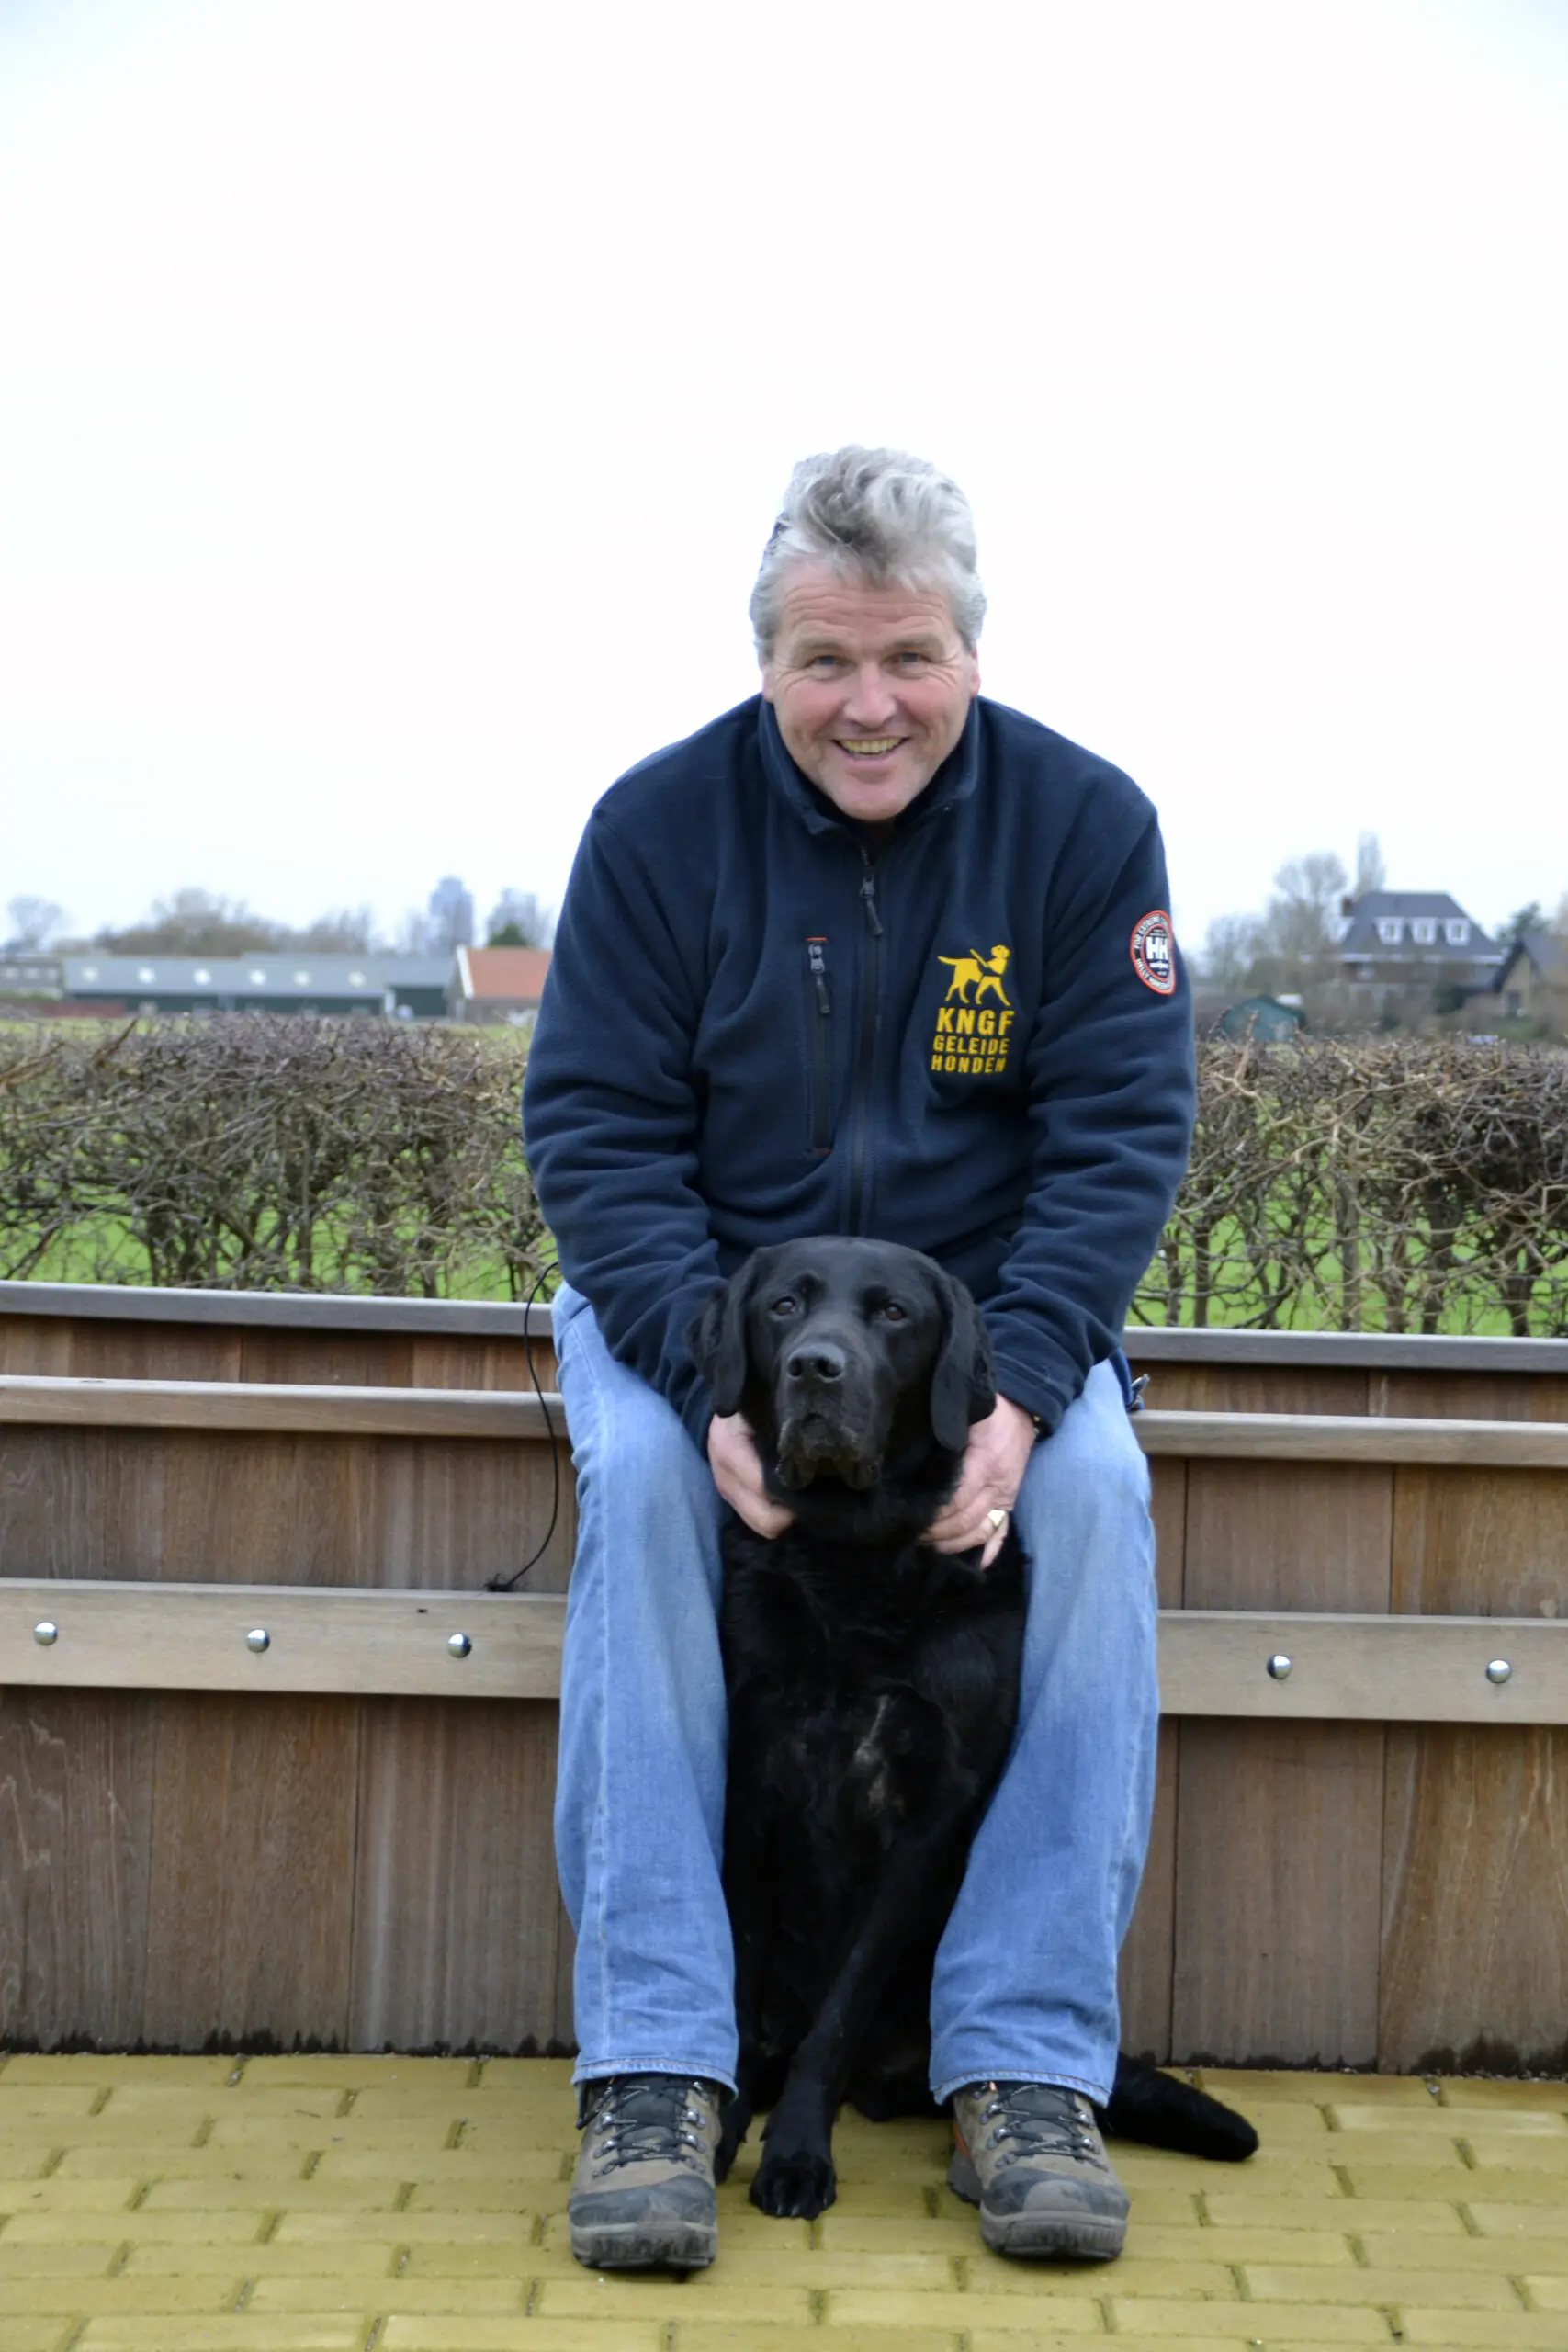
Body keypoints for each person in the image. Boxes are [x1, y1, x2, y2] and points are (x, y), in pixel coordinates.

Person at [523, 447, 1195, 2271]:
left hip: (976, 1328)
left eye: (908, 656)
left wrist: (1024, 1385)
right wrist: (701, 1376)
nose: (868, 703)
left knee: (1098, 1496)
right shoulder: (655, 828)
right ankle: (657, 2063)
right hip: (706, 1315)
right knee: (645, 1483)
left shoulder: (1083, 826)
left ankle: (1022, 2062)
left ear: (970, 648)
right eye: (823, 660)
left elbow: (1119, 1134)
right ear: (766, 659)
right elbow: (594, 1128)